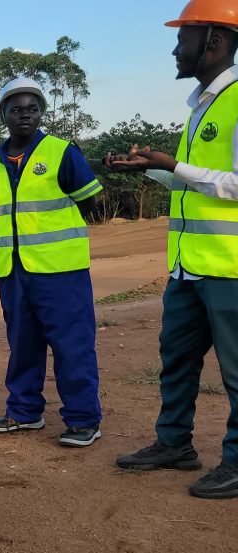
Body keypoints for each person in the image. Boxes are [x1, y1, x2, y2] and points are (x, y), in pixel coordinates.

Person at [111, 0, 238, 498]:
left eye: (182, 37)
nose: (174, 48)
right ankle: (174, 444)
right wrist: (150, 168)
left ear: (213, 40)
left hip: (229, 269)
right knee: (177, 360)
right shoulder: (202, 106)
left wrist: (176, 166)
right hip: (189, 268)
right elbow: (195, 187)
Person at [0, 77, 104, 448]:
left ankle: (83, 420)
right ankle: (24, 412)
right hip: (13, 270)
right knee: (23, 344)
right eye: (16, 109)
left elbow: (91, 202)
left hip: (61, 271)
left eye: (32, 109)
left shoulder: (62, 152)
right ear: (3, 114)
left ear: (41, 112)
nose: (25, 116)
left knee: (72, 345)